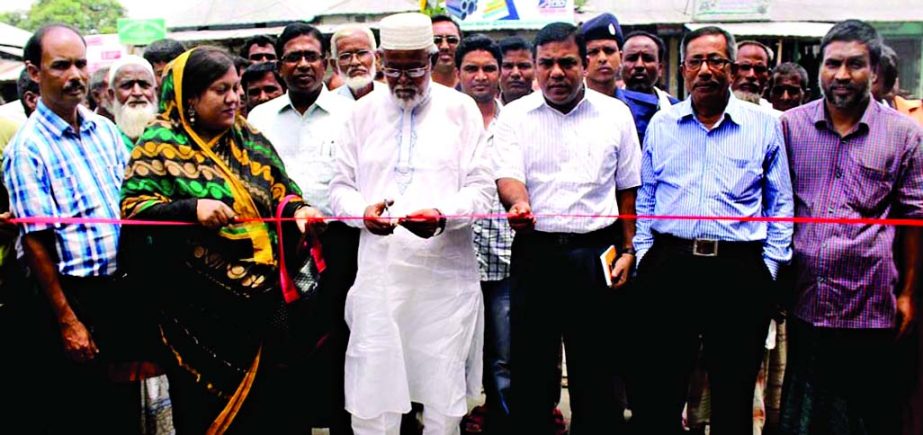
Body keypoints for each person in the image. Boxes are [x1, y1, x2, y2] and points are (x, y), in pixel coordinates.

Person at [119, 45, 325, 433]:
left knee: (277, 408)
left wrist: (299, 212)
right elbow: (134, 211)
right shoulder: (160, 143)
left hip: (267, 306)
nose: (234, 98)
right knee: (209, 413)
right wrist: (190, 208)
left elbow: (283, 191)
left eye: (236, 88)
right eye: (220, 89)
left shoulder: (249, 137)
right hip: (198, 314)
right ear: (190, 97)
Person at [329, 12, 492, 435]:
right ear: (380, 59)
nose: (404, 78)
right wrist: (362, 214)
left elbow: (481, 189)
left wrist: (443, 217)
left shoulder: (461, 111)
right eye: (394, 67)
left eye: (415, 67)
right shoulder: (358, 114)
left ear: (434, 57)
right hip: (380, 275)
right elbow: (340, 189)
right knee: (374, 385)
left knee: (442, 392)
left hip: (445, 277)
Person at [630, 25, 793, 435]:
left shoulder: (764, 125)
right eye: (696, 61)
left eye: (716, 60)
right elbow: (647, 196)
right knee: (660, 389)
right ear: (683, 69)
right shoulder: (662, 125)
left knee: (733, 393)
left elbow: (780, 203)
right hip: (671, 263)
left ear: (732, 69)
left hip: (738, 269)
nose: (706, 70)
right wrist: (648, 253)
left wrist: (768, 268)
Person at [494, 22, 641, 434]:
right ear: (536, 67)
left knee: (597, 372)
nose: (556, 73)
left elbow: (628, 189)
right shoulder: (515, 116)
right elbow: (507, 175)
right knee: (531, 372)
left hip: (597, 256)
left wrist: (629, 251)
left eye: (567, 62)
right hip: (535, 252)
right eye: (547, 64)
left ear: (586, 62)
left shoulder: (615, 114)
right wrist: (518, 202)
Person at [778, 20, 923, 435]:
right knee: (807, 415)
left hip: (870, 302)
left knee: (866, 414)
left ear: (874, 70)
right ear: (820, 68)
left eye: (855, 64)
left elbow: (913, 218)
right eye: (833, 64)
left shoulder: (904, 136)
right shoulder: (791, 127)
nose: (843, 75)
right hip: (806, 297)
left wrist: (909, 293)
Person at [2, 23, 144, 433]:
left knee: (122, 413)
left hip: (117, 292)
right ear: (34, 72)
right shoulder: (27, 150)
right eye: (61, 66)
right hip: (68, 297)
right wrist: (67, 320)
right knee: (77, 411)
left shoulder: (105, 131)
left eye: (81, 64)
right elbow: (36, 242)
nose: (75, 76)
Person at [247, 22, 357, 433]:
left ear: (326, 63)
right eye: (293, 57)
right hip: (280, 251)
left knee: (342, 340)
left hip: (341, 247)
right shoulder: (259, 118)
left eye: (311, 56)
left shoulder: (353, 114)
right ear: (279, 66)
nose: (303, 64)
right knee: (288, 344)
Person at [455, 33, 512, 435]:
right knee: (449, 351)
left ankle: (504, 422)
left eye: (489, 68)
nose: (480, 76)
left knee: (505, 355)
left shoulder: (519, 120)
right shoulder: (443, 122)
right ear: (457, 73)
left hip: (508, 256)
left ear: (501, 73)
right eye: (471, 68)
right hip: (454, 257)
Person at [618, 30, 680, 145]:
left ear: (660, 68)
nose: (639, 65)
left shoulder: (676, 110)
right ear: (620, 63)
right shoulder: (608, 106)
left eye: (647, 58)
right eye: (632, 58)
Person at [106, 55, 158, 147]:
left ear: (155, 91)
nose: (137, 93)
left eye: (144, 85)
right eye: (127, 85)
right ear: (112, 95)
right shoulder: (106, 139)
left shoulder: (170, 137)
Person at [331, 24, 386, 101]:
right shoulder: (327, 105)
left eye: (362, 53)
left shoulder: (392, 100)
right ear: (334, 65)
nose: (355, 62)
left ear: (377, 58)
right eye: (346, 56)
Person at [580, 12, 624, 98]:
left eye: (609, 51)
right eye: (593, 52)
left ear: (621, 57)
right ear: (582, 62)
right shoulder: (568, 107)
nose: (602, 58)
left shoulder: (643, 108)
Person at [731, 40, 775, 108]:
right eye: (745, 67)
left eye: (759, 69)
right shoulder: (712, 111)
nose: (751, 75)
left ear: (768, 76)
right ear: (730, 71)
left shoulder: (773, 115)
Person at [498, 36, 535, 105]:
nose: (515, 73)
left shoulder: (551, 110)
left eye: (524, 66)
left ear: (535, 70)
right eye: (508, 66)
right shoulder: (481, 111)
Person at [431, 14, 462, 89]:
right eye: (436, 40)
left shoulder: (472, 87)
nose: (444, 46)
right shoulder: (418, 88)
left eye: (451, 40)